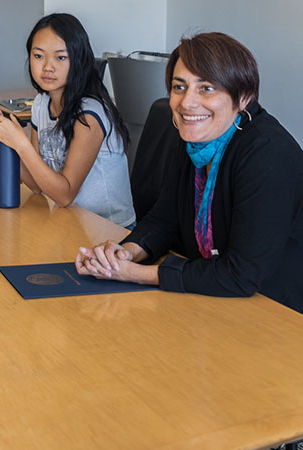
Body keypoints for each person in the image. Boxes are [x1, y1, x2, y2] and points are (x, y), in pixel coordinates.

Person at [75, 32, 303, 313]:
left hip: (276, 313)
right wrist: (125, 253)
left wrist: (136, 274)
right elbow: (164, 220)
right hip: (209, 300)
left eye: (206, 88)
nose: (187, 103)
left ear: (243, 97)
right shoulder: (194, 140)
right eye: (179, 87)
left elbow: (242, 274)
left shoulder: (267, 154)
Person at [0, 13, 135, 228]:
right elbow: (38, 185)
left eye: (60, 57)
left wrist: (20, 144)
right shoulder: (41, 104)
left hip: (109, 230)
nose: (47, 66)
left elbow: (65, 195)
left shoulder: (90, 114)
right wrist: (9, 144)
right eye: (38, 56)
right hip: (70, 221)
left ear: (79, 60)